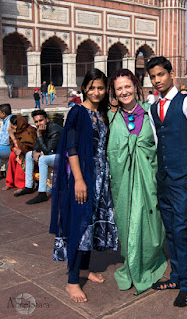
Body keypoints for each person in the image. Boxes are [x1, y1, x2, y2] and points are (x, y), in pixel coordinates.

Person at [146, 57, 187, 308]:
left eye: (161, 75)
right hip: (164, 178)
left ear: (171, 73)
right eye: (153, 77)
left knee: (181, 230)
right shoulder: (154, 107)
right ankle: (175, 277)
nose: (157, 80)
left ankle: (186, 285)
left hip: (184, 178)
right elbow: (158, 140)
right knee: (170, 230)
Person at [50, 69, 118, 303]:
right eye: (92, 87)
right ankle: (72, 281)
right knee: (80, 225)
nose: (97, 92)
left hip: (101, 177)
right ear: (84, 88)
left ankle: (85, 268)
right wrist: (79, 180)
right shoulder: (77, 113)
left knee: (91, 224)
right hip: (84, 177)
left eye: (101, 88)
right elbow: (71, 148)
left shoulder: (103, 114)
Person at [107, 68, 167, 295]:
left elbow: (161, 146)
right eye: (119, 88)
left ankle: (149, 263)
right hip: (122, 183)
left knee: (150, 224)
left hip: (148, 180)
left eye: (127, 86)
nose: (124, 92)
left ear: (136, 87)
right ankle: (131, 264)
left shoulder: (151, 113)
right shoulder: (111, 117)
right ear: (114, 92)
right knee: (126, 225)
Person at [14, 110, 63, 204]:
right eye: (36, 121)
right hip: (52, 154)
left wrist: (39, 135)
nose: (38, 124)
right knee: (29, 155)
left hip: (63, 156)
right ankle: (28, 186)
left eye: (41, 120)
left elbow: (47, 150)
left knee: (43, 160)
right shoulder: (41, 129)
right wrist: (34, 152)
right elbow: (37, 146)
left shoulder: (55, 130)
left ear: (47, 119)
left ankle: (42, 193)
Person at [2, 115, 36, 191]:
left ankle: (22, 184)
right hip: (19, 151)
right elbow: (12, 145)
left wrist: (12, 136)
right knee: (12, 156)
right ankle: (9, 182)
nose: (11, 126)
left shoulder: (29, 131)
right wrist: (15, 149)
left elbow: (28, 147)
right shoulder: (16, 131)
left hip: (29, 153)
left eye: (13, 125)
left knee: (21, 158)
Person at [0, 104, 12, 176]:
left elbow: (6, 141)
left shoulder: (9, 122)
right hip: (4, 146)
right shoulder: (5, 121)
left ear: (3, 114)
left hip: (8, 147)